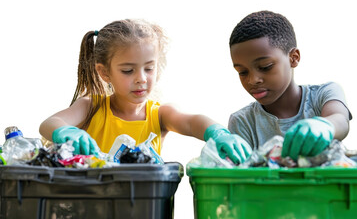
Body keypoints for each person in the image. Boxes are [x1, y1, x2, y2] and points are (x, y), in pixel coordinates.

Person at [39, 19, 251, 164]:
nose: (141, 78)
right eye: (128, 70)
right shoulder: (91, 106)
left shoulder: (159, 115)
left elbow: (191, 121)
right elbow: (49, 124)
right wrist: (66, 132)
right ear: (104, 72)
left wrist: (218, 133)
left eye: (149, 68)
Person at [227, 11, 352, 161]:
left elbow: (340, 120)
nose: (252, 80)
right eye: (242, 72)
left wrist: (326, 126)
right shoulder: (243, 122)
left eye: (265, 67)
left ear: (293, 58)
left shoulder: (324, 94)